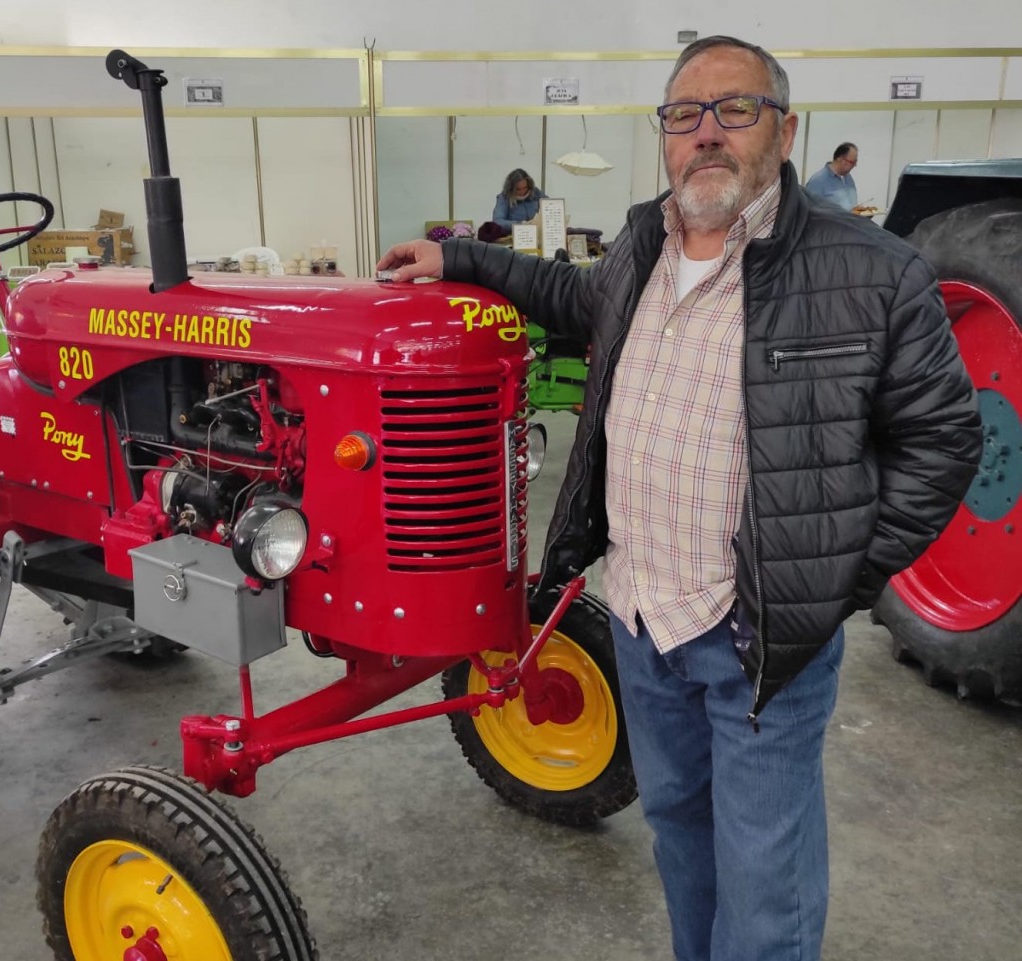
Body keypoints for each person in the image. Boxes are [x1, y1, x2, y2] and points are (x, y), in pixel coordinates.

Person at [378, 34, 982, 961]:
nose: (707, 133)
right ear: (664, 135)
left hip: (762, 643)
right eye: (683, 115)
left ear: (784, 131)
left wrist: (831, 580)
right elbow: (571, 296)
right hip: (645, 618)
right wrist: (461, 260)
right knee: (681, 836)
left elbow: (943, 441)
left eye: (734, 109)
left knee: (765, 885)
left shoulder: (872, 272)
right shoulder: (641, 244)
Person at [804, 142, 861, 211]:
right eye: (852, 162)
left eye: (855, 163)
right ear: (839, 158)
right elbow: (808, 211)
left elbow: (852, 207)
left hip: (852, 221)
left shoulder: (849, 178)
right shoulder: (817, 181)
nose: (853, 166)